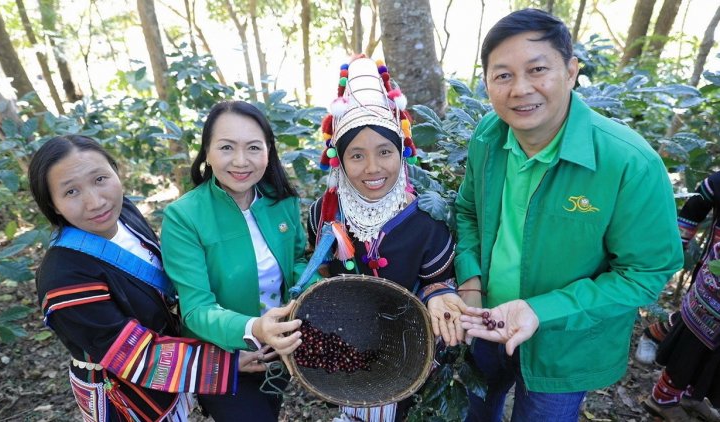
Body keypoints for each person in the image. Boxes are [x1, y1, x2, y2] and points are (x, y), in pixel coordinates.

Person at [454, 9, 683, 422]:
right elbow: (469, 210)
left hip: (565, 343)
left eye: (537, 69)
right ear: (487, 81)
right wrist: (470, 283)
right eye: (502, 75)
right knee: (475, 412)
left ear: (572, 70)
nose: (521, 89)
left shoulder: (628, 162)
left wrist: (541, 310)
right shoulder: (488, 137)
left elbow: (645, 272)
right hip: (483, 323)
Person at [29, 135, 249, 422]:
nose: (95, 202)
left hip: (175, 363)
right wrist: (226, 364)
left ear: (116, 172)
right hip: (129, 394)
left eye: (100, 179)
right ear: (53, 204)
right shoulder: (64, 278)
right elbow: (131, 355)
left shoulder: (124, 213)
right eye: (71, 192)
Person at [307, 56, 466, 422]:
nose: (373, 168)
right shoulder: (325, 213)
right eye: (357, 155)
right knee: (356, 407)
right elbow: (319, 268)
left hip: (410, 348)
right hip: (347, 341)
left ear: (402, 152)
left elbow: (438, 281)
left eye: (384, 152)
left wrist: (441, 295)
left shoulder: (427, 219)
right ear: (340, 161)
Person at [160, 100, 306, 421]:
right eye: (226, 147)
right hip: (223, 359)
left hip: (278, 349)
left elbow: (297, 263)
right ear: (207, 153)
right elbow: (196, 309)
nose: (241, 161)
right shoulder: (183, 217)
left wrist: (315, 293)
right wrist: (255, 328)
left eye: (253, 148)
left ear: (268, 152)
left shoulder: (282, 201)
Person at [641, 171, 720, 421]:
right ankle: (663, 399)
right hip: (714, 285)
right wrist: (676, 249)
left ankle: (692, 396)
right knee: (693, 339)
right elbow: (696, 205)